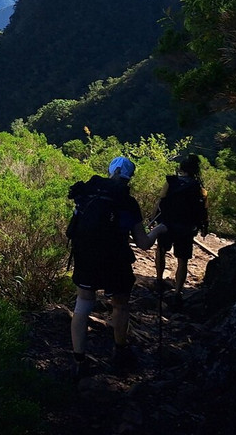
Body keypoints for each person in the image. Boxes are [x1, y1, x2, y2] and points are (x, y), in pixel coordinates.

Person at [68, 156, 166, 380]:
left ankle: (79, 360)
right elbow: (143, 243)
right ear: (130, 175)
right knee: (120, 304)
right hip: (116, 258)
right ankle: (120, 351)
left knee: (82, 304)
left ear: (111, 170)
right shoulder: (127, 201)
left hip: (86, 256)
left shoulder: (88, 193)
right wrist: (159, 229)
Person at [153, 153, 209, 309]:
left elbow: (160, 202)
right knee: (183, 259)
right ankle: (178, 293)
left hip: (167, 225)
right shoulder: (199, 188)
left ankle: (159, 280)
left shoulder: (171, 182)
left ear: (181, 168)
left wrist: (152, 220)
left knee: (161, 250)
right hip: (186, 228)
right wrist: (204, 227)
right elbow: (203, 210)